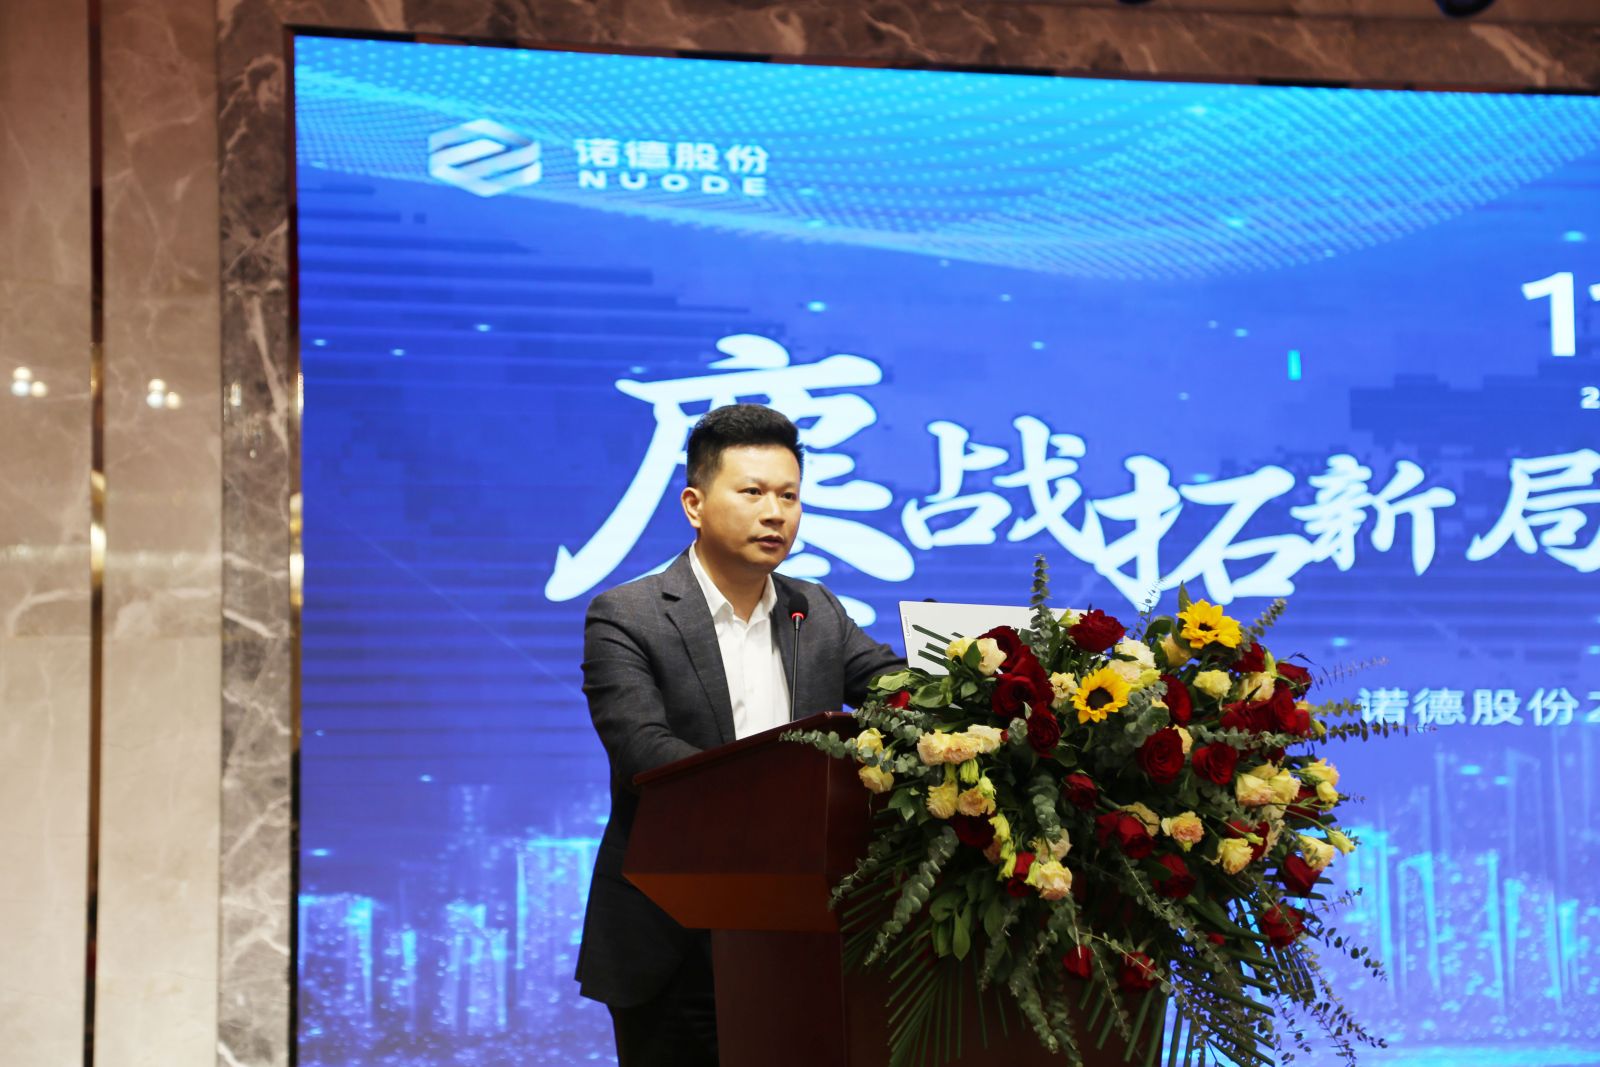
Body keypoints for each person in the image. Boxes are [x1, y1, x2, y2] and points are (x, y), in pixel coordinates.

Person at [574, 403, 904, 1066]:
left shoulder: (816, 609)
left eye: (789, 496)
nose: (775, 513)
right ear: (694, 504)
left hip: (799, 931)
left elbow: (895, 690)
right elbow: (645, 752)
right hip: (673, 934)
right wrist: (783, 801)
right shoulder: (629, 615)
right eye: (752, 492)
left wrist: (982, 679)